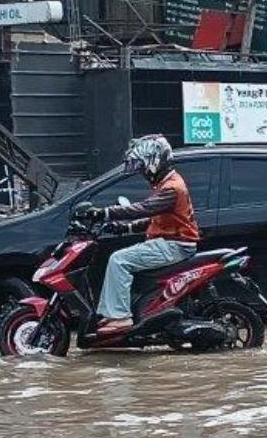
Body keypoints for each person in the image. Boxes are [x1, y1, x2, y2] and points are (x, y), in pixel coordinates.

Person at [79, 135, 198, 334]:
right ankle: (117, 314)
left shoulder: (171, 188)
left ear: (154, 161)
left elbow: (144, 208)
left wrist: (104, 213)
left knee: (119, 260)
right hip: (169, 241)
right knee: (121, 259)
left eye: (142, 167)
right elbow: (156, 219)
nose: (142, 172)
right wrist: (125, 228)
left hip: (174, 245)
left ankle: (120, 317)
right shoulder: (167, 183)